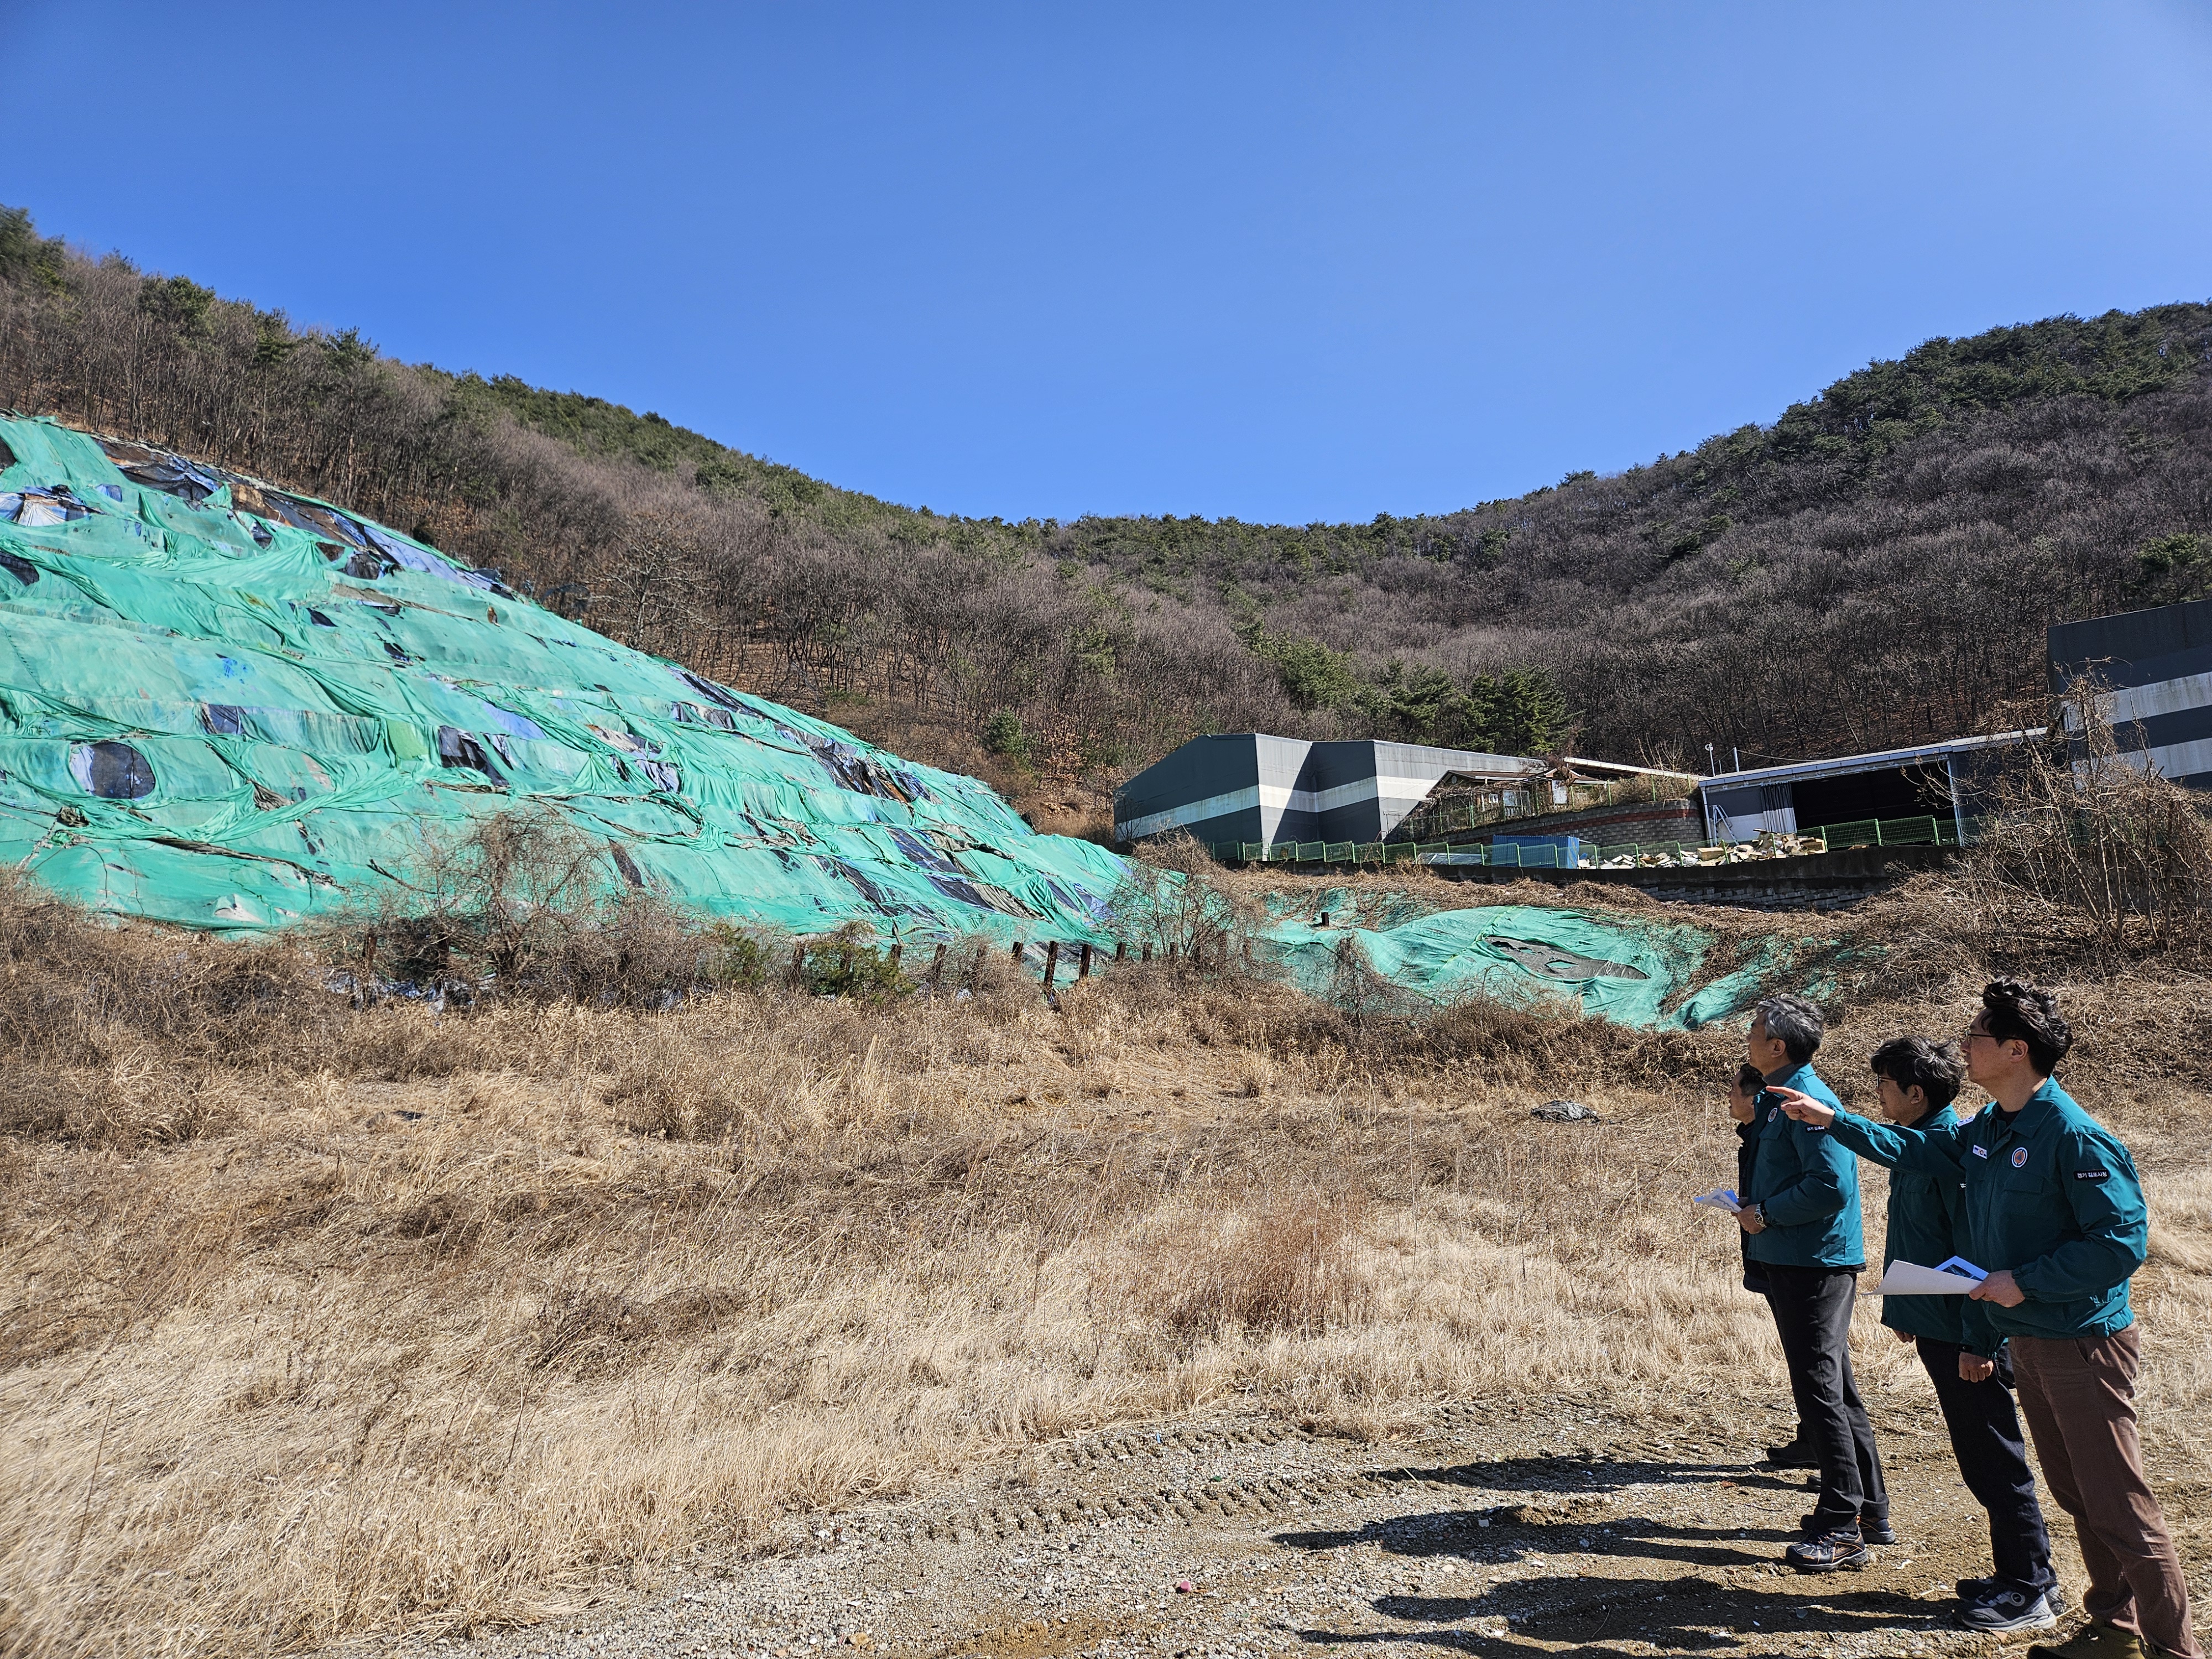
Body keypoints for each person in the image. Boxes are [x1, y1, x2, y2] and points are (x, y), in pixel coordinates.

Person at [1783, 981, 2198, 1659]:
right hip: (2032, 1339)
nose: (1964, 1048)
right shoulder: (1990, 1128)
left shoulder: (2073, 1136)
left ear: (2014, 1050)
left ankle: (2173, 1650)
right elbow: (1921, 1151)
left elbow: (2120, 1243)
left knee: (2121, 1508)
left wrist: (2023, 1282)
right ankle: (2115, 1630)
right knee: (2078, 1498)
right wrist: (1834, 1123)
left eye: (1976, 1036)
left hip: (2083, 1344)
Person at [1775, 1036, 2060, 1634]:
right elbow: (1922, 1239)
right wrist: (1908, 1309)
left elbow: (1978, 1254)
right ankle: (2022, 1575)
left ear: (1915, 1092)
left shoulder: (1944, 1149)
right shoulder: (1930, 1145)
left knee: (1994, 1460)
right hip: (1943, 1327)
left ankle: (2029, 1586)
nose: (1877, 1092)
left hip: (1969, 1337)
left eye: (1884, 1083)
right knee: (1981, 1459)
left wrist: (1978, 1343)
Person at [1736, 994, 1888, 1571]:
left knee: (1819, 1388)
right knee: (1834, 1386)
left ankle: (1840, 1523)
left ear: (1777, 1046)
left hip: (1812, 1262)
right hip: (1794, 1258)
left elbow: (1830, 1188)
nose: (1747, 1037)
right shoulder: (1777, 1097)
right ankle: (1868, 1509)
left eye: (1754, 1029)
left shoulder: (1807, 1099)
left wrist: (1767, 1215)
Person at [1726, 1061, 1813, 1467]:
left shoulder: (1788, 1122)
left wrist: (1761, 1212)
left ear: (1756, 1096)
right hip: (1773, 1251)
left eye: (1734, 1089)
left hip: (1798, 1257)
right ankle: (1815, 1440)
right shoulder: (1757, 1134)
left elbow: (1826, 1188)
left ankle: (1833, 1459)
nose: (1729, 1097)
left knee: (1817, 1362)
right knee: (1806, 1358)